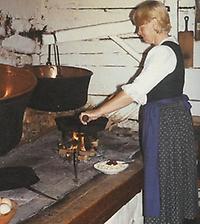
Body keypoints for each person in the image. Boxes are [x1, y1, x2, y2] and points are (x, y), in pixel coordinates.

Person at [79, 1, 198, 223]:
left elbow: (134, 92)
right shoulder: (171, 47)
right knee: (171, 177)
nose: (138, 31)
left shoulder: (161, 52)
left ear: (153, 23)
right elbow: (146, 91)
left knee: (161, 177)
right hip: (172, 119)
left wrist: (97, 112)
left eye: (140, 26)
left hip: (165, 123)